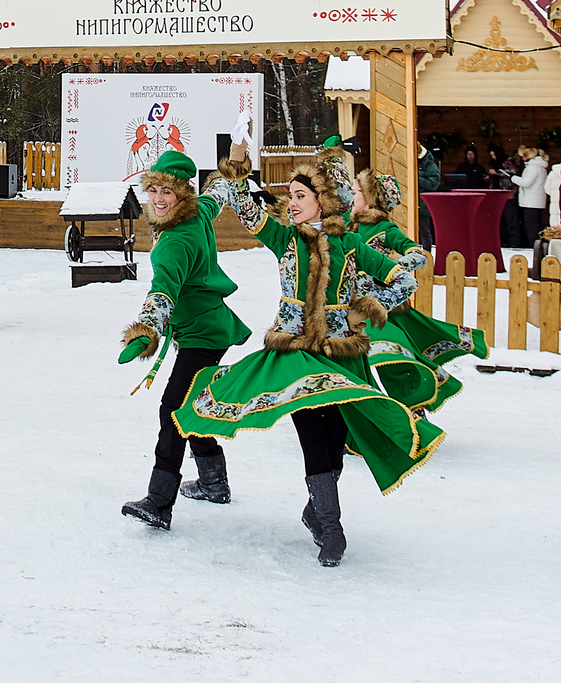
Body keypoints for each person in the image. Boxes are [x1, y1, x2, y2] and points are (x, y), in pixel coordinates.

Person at [161, 148, 445, 567]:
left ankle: (318, 509)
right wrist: (237, 167)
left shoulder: (350, 246)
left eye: (299, 196)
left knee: (334, 448)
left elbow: (403, 275)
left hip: (341, 357)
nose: (290, 203)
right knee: (314, 439)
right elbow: (246, 208)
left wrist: (367, 304)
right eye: (290, 195)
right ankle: (332, 529)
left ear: (322, 200)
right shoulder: (285, 238)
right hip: (296, 356)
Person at [115, 149, 253, 524]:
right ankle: (213, 483)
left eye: (167, 193)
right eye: (154, 190)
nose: (159, 199)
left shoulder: (176, 242)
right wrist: (236, 162)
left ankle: (159, 502)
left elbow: (162, 292)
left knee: (173, 409)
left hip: (202, 335)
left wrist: (146, 330)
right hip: (208, 326)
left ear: (181, 195)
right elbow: (219, 193)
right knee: (190, 404)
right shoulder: (197, 211)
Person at [346, 164, 486, 412]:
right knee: (350, 364)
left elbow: (417, 254)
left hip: (379, 309)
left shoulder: (384, 229)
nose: (350, 194)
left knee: (390, 362)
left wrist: (389, 268)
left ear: (369, 199)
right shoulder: (349, 227)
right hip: (348, 308)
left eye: (355, 191)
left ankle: (412, 409)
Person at [507, 145, 550, 248]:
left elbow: (526, 182)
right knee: (537, 224)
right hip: (537, 200)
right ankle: (539, 245)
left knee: (531, 226)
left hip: (531, 200)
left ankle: (533, 245)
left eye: (524, 156)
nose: (522, 158)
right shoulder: (540, 166)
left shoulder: (533, 168)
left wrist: (514, 178)